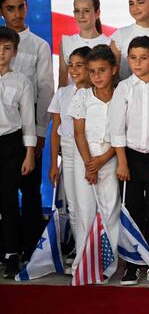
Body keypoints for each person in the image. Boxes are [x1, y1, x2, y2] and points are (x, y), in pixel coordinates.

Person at [108, 36, 149, 286]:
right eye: (132, 57)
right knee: (132, 211)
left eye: (143, 58)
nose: (137, 62)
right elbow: (117, 128)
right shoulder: (124, 88)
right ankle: (133, 264)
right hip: (131, 158)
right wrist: (122, 162)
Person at [1, 0, 54, 260]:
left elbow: (46, 89)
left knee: (30, 188)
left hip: (29, 127)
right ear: (1, 11)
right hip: (4, 126)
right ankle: (8, 245)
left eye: (21, 7)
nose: (17, 13)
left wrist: (41, 132)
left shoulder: (39, 46)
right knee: (4, 192)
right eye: (10, 8)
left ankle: (32, 247)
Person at [68, 45, 121, 282]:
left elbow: (123, 134)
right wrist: (90, 163)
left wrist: (103, 159)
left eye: (102, 70)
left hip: (110, 159)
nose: (97, 76)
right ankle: (83, 261)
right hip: (85, 159)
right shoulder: (82, 96)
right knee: (86, 210)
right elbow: (79, 132)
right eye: (92, 71)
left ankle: (107, 264)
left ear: (114, 70)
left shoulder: (122, 95)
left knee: (110, 210)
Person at [47, 46, 91, 273]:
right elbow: (56, 129)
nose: (73, 70)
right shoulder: (62, 93)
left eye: (79, 65)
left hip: (87, 151)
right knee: (72, 205)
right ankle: (79, 254)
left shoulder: (94, 92)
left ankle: (87, 256)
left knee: (86, 204)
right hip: (67, 151)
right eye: (70, 65)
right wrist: (54, 163)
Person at [0, 26, 36, 278]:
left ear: (15, 51)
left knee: (9, 200)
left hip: (11, 145)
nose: (1, 53)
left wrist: (30, 153)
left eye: (7, 48)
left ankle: (12, 253)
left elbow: (28, 121)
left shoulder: (22, 81)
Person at [59, 0, 110, 87]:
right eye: (77, 11)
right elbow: (62, 83)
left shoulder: (109, 43)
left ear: (97, 13)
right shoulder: (66, 42)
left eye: (86, 11)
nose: (81, 16)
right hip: (72, 100)